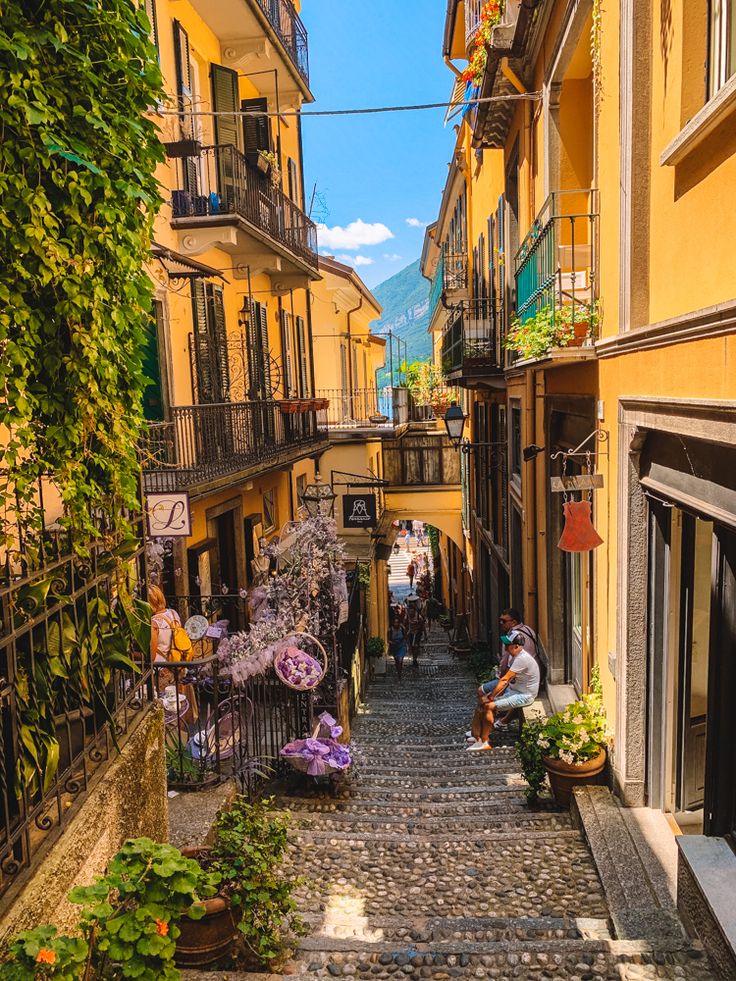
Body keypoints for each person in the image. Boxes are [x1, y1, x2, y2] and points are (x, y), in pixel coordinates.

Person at [466, 631, 540, 751]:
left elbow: (505, 679)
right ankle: (477, 736)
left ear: (516, 646)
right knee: (482, 703)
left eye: (508, 644)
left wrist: (491, 696)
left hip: (525, 695)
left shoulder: (522, 659)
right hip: (514, 690)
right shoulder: (514, 655)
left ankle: (485, 742)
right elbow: (506, 681)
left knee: (489, 706)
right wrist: (491, 695)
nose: (505, 646)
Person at [497, 608, 548, 685]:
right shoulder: (529, 629)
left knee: (486, 690)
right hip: (536, 674)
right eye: (500, 620)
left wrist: (499, 676)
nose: (501, 623)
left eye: (504, 621)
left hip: (521, 680)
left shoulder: (509, 637)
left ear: (514, 622)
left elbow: (504, 662)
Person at [405, 597, 426, 667]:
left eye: (412, 610)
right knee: (411, 646)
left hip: (417, 633)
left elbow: (423, 626)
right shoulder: (407, 616)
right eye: (409, 610)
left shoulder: (418, 617)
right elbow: (405, 624)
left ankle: (415, 660)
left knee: (415, 646)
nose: (411, 612)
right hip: (411, 632)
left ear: (414, 610)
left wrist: (425, 635)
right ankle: (414, 658)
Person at [388, 616, 408, 681]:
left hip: (401, 645)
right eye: (395, 622)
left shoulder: (402, 628)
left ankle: (399, 674)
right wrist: (392, 643)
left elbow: (405, 637)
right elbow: (388, 640)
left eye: (397, 622)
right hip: (394, 647)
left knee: (400, 660)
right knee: (397, 660)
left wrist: (406, 645)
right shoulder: (390, 630)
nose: (396, 624)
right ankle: (398, 670)